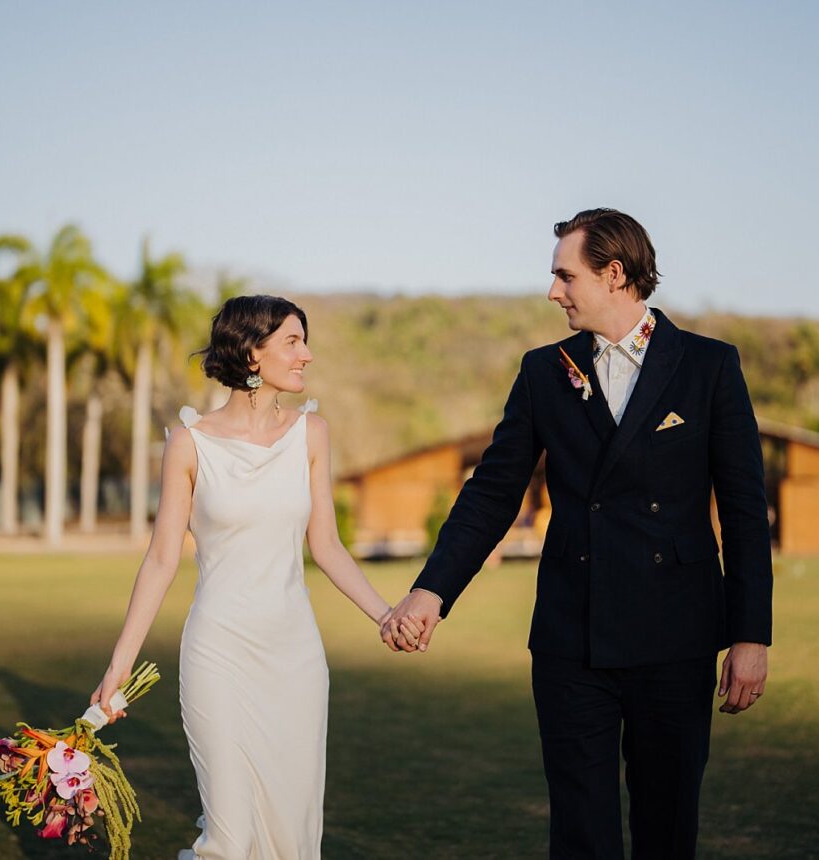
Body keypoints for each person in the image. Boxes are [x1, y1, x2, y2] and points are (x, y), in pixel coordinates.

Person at [383, 209, 773, 859]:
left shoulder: (709, 367)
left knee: (666, 825)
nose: (553, 291)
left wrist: (750, 634)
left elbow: (742, 507)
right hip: (572, 635)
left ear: (614, 274)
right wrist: (430, 591)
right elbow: (491, 494)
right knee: (580, 829)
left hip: (675, 632)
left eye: (565, 276)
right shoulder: (544, 372)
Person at [91, 295, 420, 860]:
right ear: (251, 352)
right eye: (293, 342)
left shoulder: (311, 434)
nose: (307, 355)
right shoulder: (189, 445)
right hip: (218, 655)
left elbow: (327, 545)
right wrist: (118, 666)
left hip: (295, 658)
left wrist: (386, 613)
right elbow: (162, 558)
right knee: (229, 837)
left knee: (293, 837)